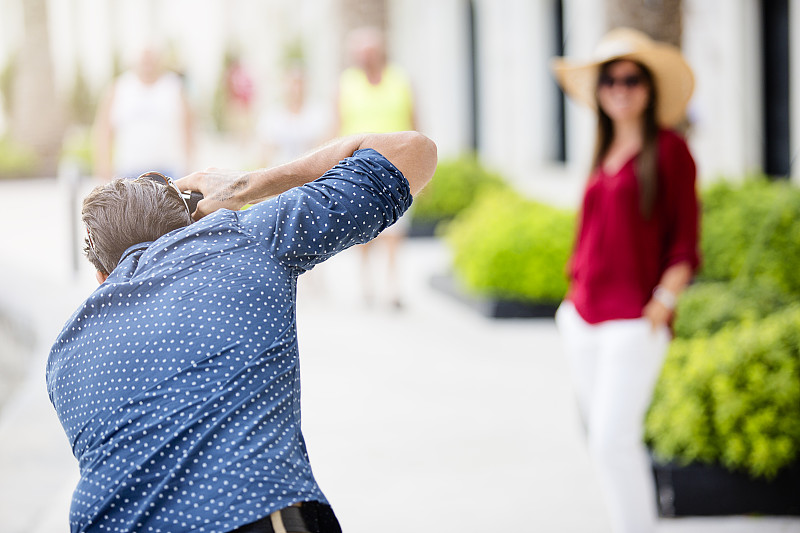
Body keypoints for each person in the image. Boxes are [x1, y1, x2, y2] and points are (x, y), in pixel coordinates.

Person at [46, 131, 437, 533]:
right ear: (191, 224)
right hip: (243, 513)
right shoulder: (242, 237)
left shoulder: (63, 355)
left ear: (101, 277)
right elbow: (411, 152)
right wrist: (247, 185)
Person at [551, 28, 700, 533]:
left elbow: (686, 244)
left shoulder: (672, 151)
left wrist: (663, 302)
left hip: (635, 320)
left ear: (649, 88)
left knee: (613, 440)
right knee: (603, 441)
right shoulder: (601, 149)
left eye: (631, 79)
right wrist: (569, 302)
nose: (620, 88)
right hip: (583, 316)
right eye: (609, 79)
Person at [335, 26, 417, 308]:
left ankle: (392, 286)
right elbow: (336, 126)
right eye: (359, 53)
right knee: (364, 229)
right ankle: (366, 283)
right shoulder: (347, 83)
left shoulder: (400, 80)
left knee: (395, 231)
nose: (363, 57)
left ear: (380, 52)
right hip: (358, 168)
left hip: (399, 166)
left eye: (368, 52)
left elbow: (415, 121)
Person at [94, 45, 194, 181]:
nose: (148, 64)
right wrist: (104, 167)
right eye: (144, 59)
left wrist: (189, 165)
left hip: (168, 171)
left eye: (152, 59)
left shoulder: (174, 87)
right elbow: (104, 130)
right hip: (128, 171)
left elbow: (188, 128)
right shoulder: (119, 88)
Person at [258, 65, 329, 167]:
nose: (296, 89)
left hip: (310, 172)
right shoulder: (271, 115)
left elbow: (324, 146)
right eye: (292, 83)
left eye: (300, 83)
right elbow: (265, 152)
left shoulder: (318, 113)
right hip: (278, 172)